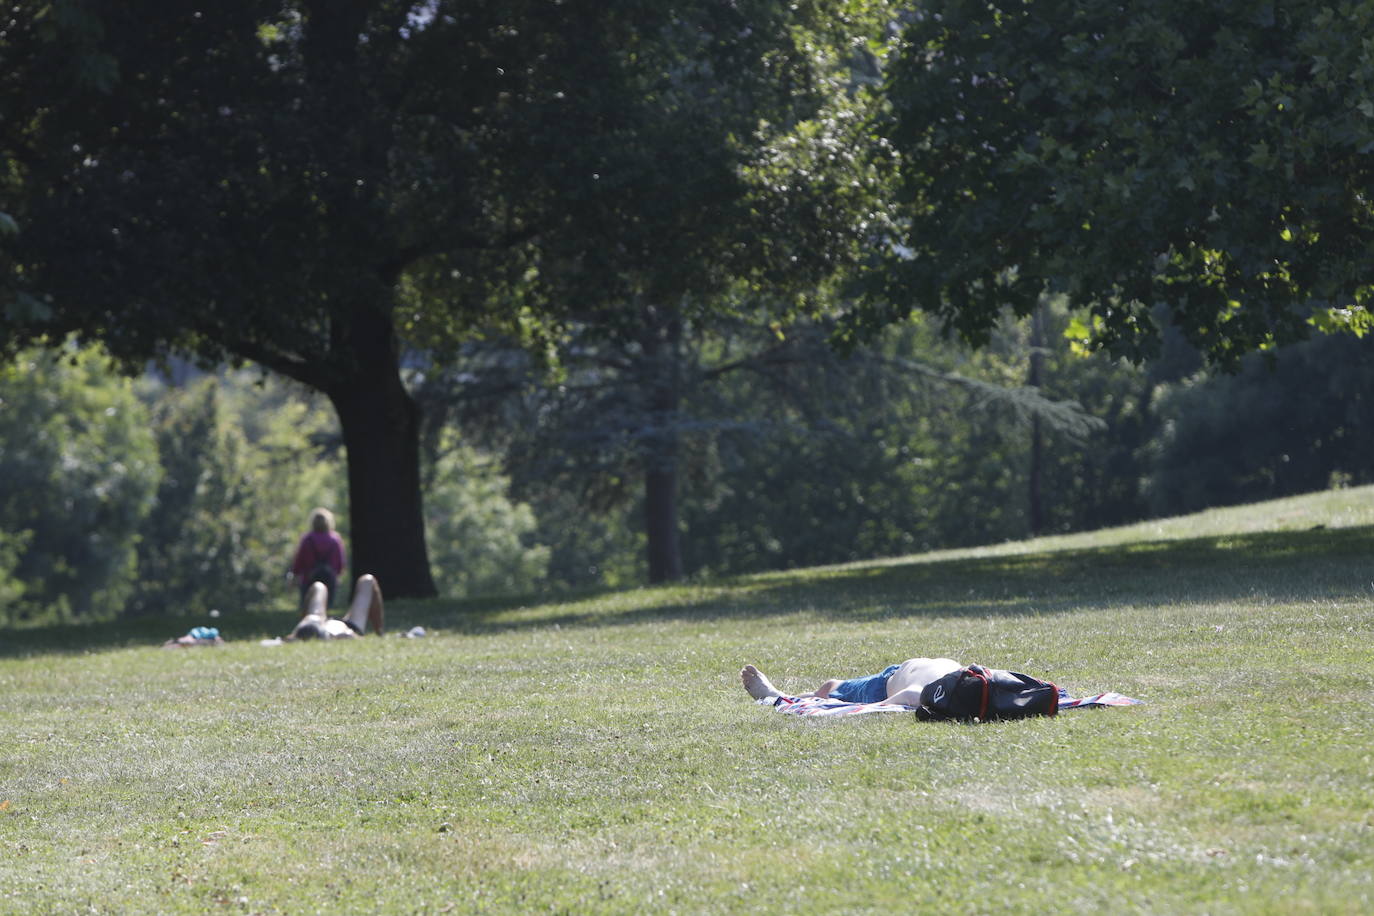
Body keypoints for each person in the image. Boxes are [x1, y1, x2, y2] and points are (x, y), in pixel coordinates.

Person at [740, 657, 964, 707]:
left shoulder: (921, 694)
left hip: (882, 687)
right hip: (898, 673)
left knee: (829, 689)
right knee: (827, 688)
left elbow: (881, 706)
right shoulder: (983, 682)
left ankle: (773, 695)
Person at [286, 574, 384, 640]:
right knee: (368, 581)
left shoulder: (310, 622)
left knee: (318, 586)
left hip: (319, 623)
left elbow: (287, 639)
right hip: (351, 626)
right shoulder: (342, 635)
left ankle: (380, 633)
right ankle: (380, 634)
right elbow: (355, 638)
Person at [290, 507, 346, 609]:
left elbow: (299, 560)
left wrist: (295, 574)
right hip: (329, 579)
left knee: (307, 607)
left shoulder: (307, 539)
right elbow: (340, 562)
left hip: (309, 578)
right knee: (327, 607)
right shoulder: (335, 540)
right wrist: (337, 574)